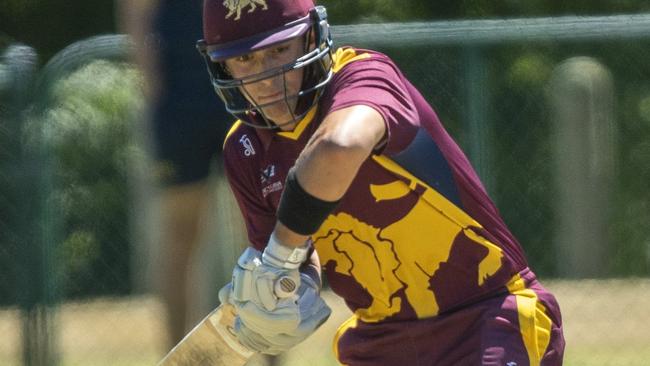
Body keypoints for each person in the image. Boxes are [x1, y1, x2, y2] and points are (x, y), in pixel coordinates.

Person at [200, 0, 566, 364]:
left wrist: (279, 257)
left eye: (279, 50)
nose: (264, 77)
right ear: (222, 64)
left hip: (487, 316)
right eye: (244, 59)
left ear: (311, 37)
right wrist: (285, 287)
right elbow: (295, 254)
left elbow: (338, 147)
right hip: (380, 342)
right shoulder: (245, 149)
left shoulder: (364, 75)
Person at [117, 0, 234, 347]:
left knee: (265, 228)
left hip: (246, 91)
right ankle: (177, 352)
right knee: (180, 233)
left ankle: (272, 353)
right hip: (179, 104)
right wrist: (153, 87)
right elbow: (136, 11)